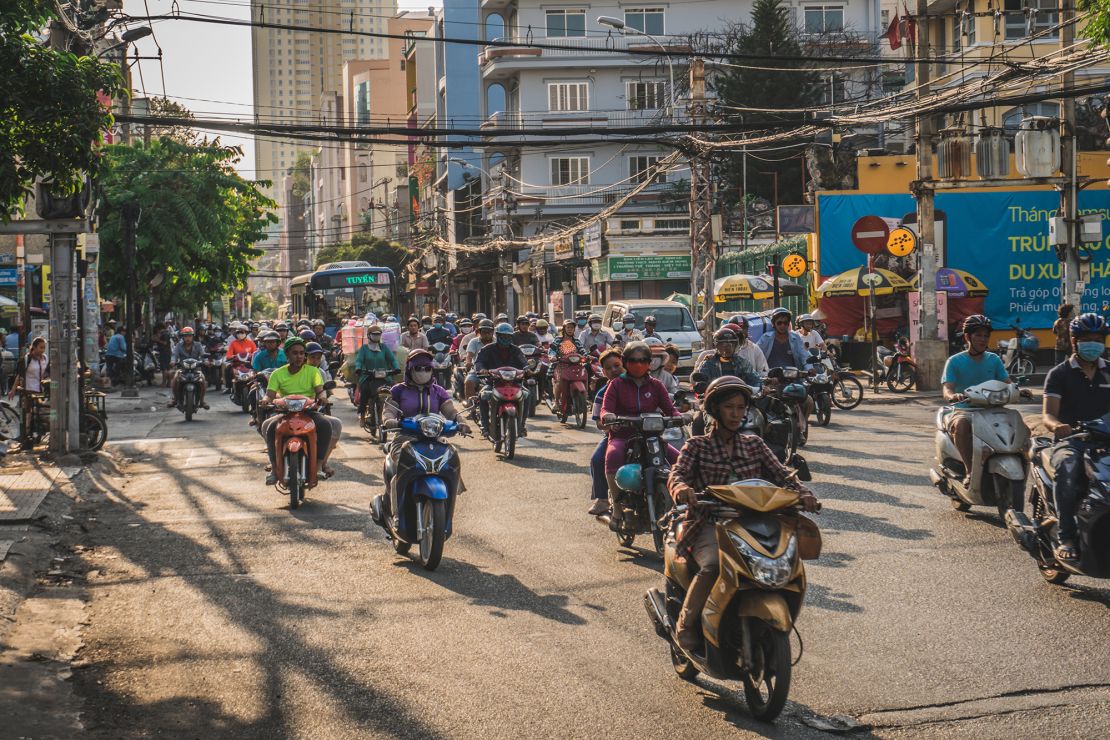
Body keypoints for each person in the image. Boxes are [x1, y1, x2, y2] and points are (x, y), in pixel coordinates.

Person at [668, 376, 818, 651]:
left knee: (786, 563)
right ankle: (686, 624)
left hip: (754, 525)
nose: (736, 414)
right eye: (729, 407)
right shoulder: (697, 446)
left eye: (741, 408)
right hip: (709, 523)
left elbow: (784, 475)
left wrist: (803, 493)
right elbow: (678, 474)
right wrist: (681, 489)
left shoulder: (755, 445)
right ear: (714, 410)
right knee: (713, 565)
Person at [1042, 312, 1110, 562]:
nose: (1093, 343)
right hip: (1073, 441)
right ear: (1074, 341)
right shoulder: (1059, 374)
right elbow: (1048, 414)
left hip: (1105, 441)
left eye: (1098, 338)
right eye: (1086, 339)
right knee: (1069, 469)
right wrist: (1058, 426)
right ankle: (1066, 535)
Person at [600, 341, 682, 525]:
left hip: (652, 437)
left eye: (643, 360)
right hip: (623, 436)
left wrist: (680, 416)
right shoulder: (616, 385)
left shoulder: (657, 385)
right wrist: (609, 416)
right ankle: (618, 510)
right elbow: (605, 409)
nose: (639, 364)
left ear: (649, 362)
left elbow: (670, 409)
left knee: (682, 460)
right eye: (633, 360)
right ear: (626, 362)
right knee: (612, 456)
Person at [940, 314, 1013, 486]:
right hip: (964, 410)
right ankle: (970, 470)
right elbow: (947, 387)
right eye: (978, 335)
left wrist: (1019, 390)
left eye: (986, 335)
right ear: (968, 337)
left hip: (991, 410)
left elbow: (1007, 383)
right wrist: (952, 396)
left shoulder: (994, 360)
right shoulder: (954, 361)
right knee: (962, 425)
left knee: (1019, 425)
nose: (983, 339)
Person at [260, 338, 342, 484]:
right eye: (294, 353)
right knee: (269, 426)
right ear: (287, 355)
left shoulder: (313, 372)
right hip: (285, 412)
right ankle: (274, 468)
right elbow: (270, 394)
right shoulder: (277, 374)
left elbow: (320, 391)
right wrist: (266, 400)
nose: (298, 356)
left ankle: (318, 467)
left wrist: (322, 398)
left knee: (325, 425)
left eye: (301, 353)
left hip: (309, 411)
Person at [473, 323, 528, 434]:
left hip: (514, 383)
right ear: (497, 335)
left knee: (526, 394)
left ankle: (522, 425)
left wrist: (527, 369)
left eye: (508, 336)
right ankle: (484, 425)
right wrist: (482, 369)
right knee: (483, 395)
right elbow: (479, 362)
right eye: (502, 336)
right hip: (494, 382)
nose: (505, 338)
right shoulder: (487, 349)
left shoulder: (516, 350)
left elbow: (524, 362)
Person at [588, 348, 624, 515]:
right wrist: (609, 426)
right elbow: (598, 421)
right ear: (604, 372)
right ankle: (602, 499)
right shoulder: (602, 393)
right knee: (597, 459)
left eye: (617, 365)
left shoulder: (640, 384)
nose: (614, 370)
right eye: (609, 368)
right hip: (614, 435)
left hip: (644, 433)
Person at [353, 323, 400, 420]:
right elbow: (359, 360)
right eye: (374, 334)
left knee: (393, 392)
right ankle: (362, 414)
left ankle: (393, 413)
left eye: (378, 334)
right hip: (367, 376)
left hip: (384, 376)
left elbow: (392, 359)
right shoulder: (364, 348)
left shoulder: (384, 347)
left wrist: (396, 368)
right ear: (369, 335)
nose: (376, 336)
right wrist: (358, 368)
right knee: (365, 391)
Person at [9, 337, 48, 449]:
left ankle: (37, 435)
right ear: (34, 347)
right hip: (28, 390)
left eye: (44, 348)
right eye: (40, 347)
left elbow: (47, 373)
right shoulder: (27, 359)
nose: (42, 350)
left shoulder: (45, 358)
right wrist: (13, 390)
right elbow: (19, 376)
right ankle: (26, 436)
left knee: (40, 413)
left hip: (41, 390)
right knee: (28, 413)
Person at [694, 328, 762, 387]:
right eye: (723, 344)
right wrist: (702, 385)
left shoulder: (743, 363)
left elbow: (755, 380)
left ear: (736, 345)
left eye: (732, 344)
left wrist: (760, 385)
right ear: (716, 346)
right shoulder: (708, 364)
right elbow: (701, 379)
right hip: (715, 397)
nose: (728, 348)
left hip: (740, 396)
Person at [167, 327, 209, 409]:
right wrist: (172, 361)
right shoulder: (178, 345)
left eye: (189, 336)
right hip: (182, 368)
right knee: (175, 378)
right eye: (185, 336)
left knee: (203, 380)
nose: (188, 338)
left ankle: (202, 401)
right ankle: (175, 399)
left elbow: (203, 355)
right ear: (183, 337)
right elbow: (174, 355)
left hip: (196, 368)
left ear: (193, 336)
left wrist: (206, 361)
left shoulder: (198, 345)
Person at [463, 319, 496, 400]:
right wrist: (468, 362)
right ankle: (471, 407)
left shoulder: (497, 340)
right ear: (479, 332)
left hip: (496, 370)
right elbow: (469, 355)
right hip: (477, 370)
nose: (487, 334)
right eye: (484, 332)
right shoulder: (473, 341)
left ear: (492, 332)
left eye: (489, 332)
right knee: (468, 382)